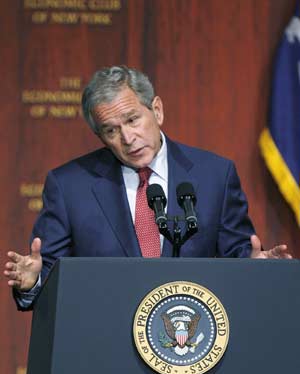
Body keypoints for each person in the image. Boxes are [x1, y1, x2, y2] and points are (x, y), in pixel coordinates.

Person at [4, 66, 292, 310]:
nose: (127, 138)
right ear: (100, 136)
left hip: (193, 344)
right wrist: (34, 281)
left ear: (157, 110)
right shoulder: (69, 186)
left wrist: (258, 267)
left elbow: (238, 256)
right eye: (111, 130)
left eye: (132, 120)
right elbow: (48, 278)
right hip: (104, 349)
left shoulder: (215, 174)